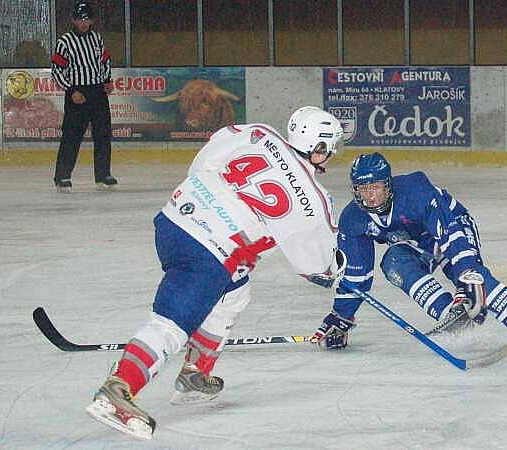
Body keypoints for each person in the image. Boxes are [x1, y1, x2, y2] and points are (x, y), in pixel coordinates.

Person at [85, 106, 346, 440]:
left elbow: (204, 161)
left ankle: (195, 374)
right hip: (207, 253)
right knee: (170, 326)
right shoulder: (314, 198)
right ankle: (118, 389)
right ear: (319, 148)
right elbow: (315, 268)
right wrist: (334, 268)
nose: (330, 155)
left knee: (235, 292)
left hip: (172, 221)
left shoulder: (258, 133)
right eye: (330, 148)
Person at [312, 152, 507, 354]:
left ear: (388, 185)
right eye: (363, 188)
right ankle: (452, 315)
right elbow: (357, 276)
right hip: (415, 244)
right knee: (393, 262)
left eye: (375, 187)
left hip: (451, 227)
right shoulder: (353, 219)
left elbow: (451, 234)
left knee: (472, 278)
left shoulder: (417, 191)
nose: (370, 195)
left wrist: (467, 271)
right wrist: (341, 320)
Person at [51, 1, 117, 193]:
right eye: (81, 20)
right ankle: (62, 177)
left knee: (103, 135)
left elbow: (105, 61)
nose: (84, 23)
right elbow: (56, 71)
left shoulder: (96, 38)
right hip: (77, 93)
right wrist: (71, 91)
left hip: (98, 92)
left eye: (87, 20)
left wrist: (107, 80)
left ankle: (103, 175)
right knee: (71, 137)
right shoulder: (65, 42)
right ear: (73, 20)